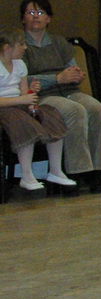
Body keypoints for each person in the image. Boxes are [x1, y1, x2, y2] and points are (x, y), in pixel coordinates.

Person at [20, 0, 101, 190]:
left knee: (97, 109)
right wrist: (57, 78)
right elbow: (23, 79)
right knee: (75, 110)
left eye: (40, 12)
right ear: (23, 18)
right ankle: (78, 170)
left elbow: (72, 69)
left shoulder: (59, 43)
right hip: (42, 96)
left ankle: (99, 169)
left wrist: (75, 74)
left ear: (48, 18)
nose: (36, 16)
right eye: (31, 12)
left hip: (69, 90)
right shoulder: (19, 45)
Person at [0, 27, 71, 192]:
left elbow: (23, 91)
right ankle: (26, 175)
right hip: (4, 107)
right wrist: (21, 100)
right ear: (7, 48)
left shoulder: (20, 64)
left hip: (19, 104)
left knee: (50, 115)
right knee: (23, 121)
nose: (25, 48)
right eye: (21, 44)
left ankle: (55, 170)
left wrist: (31, 92)